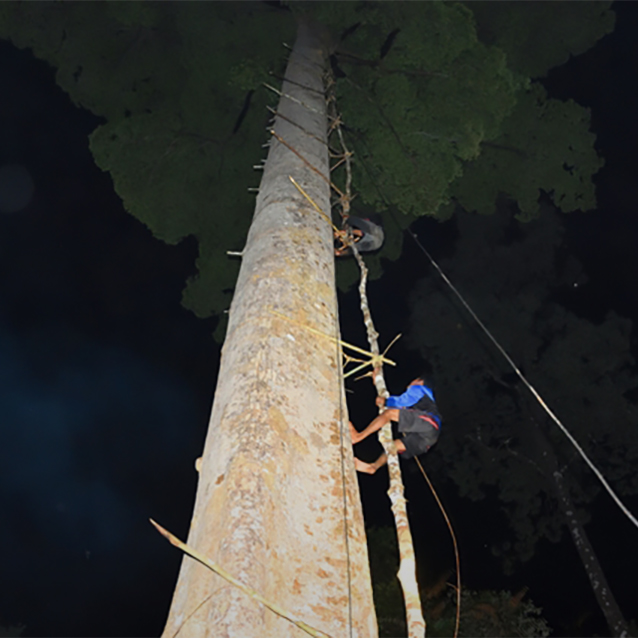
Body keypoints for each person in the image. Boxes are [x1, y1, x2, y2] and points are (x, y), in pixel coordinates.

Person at [350, 371, 441, 474]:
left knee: (389, 414)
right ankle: (373, 467)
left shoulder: (419, 389)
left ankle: (358, 436)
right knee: (393, 446)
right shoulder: (426, 401)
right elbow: (404, 407)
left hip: (429, 422)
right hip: (430, 438)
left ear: (420, 381)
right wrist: (376, 382)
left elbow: (402, 402)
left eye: (414, 380)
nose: (410, 383)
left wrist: (385, 401)